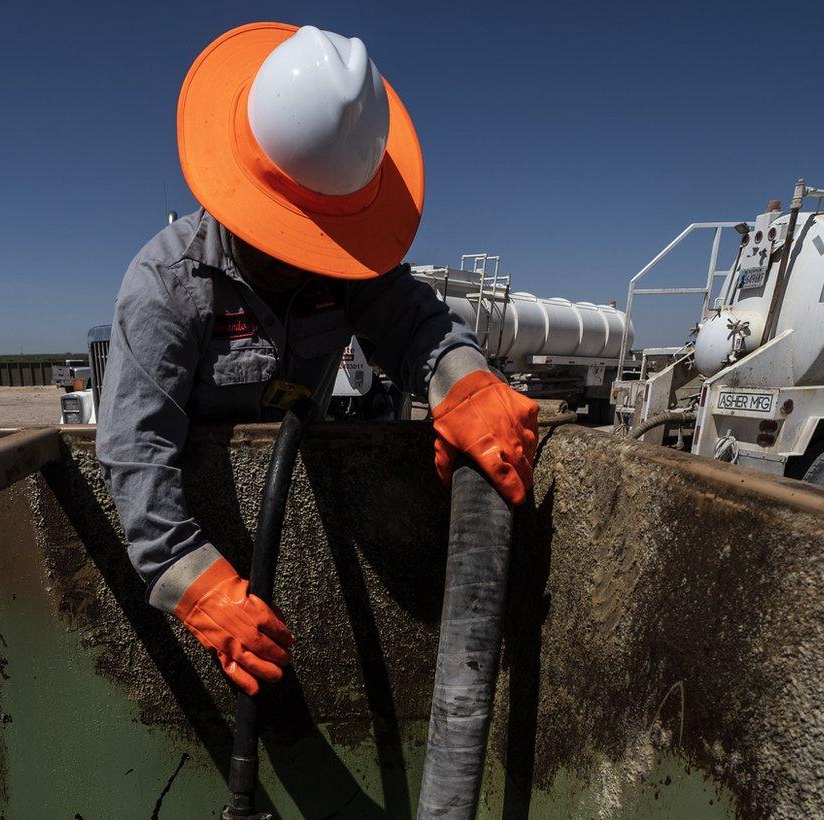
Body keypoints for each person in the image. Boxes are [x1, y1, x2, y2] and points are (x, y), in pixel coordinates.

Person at [95, 22, 539, 696]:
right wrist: (192, 580)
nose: (306, 258)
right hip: (210, 531)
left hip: (301, 484)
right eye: (291, 237)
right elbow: (134, 446)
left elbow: (414, 320)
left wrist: (466, 384)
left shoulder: (344, 262)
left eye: (323, 238)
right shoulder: (167, 286)